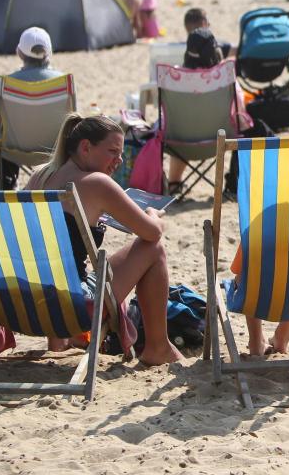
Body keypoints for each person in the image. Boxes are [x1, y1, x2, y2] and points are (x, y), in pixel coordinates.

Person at [26, 114, 183, 364]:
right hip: (70, 307)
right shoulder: (97, 183)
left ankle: (59, 343)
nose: (118, 161)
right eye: (112, 152)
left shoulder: (40, 177)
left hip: (24, 300)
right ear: (86, 147)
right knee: (153, 247)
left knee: (54, 261)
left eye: (120, 153)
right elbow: (152, 233)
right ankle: (158, 347)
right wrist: (154, 215)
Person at [165, 28, 252, 198]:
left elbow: (166, 114)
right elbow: (240, 109)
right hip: (219, 141)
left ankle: (174, 182)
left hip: (178, 142)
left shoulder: (173, 77)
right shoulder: (225, 77)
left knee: (182, 122)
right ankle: (235, 182)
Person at [0, 27, 64, 188]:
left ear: (20, 53)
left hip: (14, 152)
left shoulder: (8, 83)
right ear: (49, 54)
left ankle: (8, 186)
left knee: (2, 136)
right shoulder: (63, 82)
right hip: (54, 152)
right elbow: (70, 122)